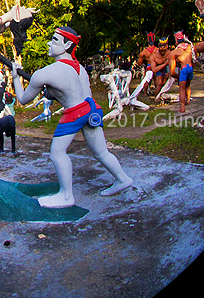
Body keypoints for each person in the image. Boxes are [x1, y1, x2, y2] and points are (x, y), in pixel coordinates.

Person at [11, 26, 133, 208]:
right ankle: (122, 179)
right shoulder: (80, 68)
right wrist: (53, 93)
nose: (49, 44)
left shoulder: (44, 74)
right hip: (92, 109)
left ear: (67, 44)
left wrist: (14, 77)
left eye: (54, 40)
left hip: (75, 113)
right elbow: (75, 91)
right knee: (101, 152)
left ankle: (66, 196)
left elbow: (22, 98)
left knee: (57, 153)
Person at [164, 31, 194, 113]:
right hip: (190, 67)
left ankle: (182, 108)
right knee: (188, 85)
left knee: (181, 88)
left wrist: (178, 77)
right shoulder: (190, 47)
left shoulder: (174, 53)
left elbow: (172, 72)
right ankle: (187, 101)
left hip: (183, 69)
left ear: (176, 41)